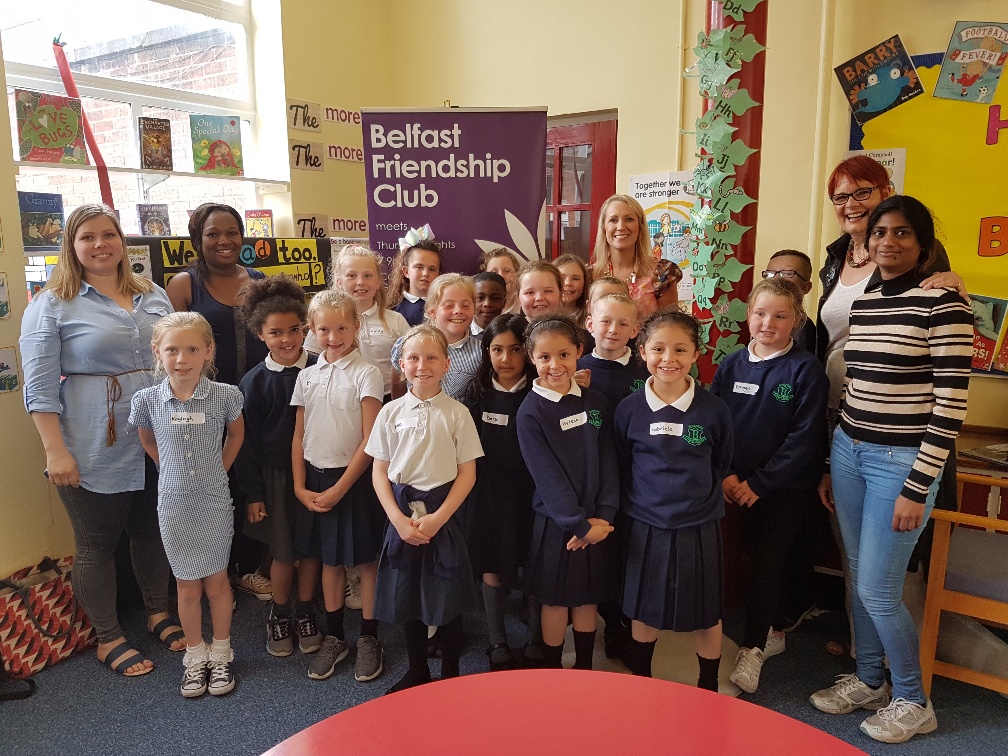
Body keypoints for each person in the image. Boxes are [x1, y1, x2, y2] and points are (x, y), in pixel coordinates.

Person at [810, 196, 973, 744]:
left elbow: (950, 405)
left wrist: (917, 485)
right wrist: (836, 461)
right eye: (880, 233)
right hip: (851, 449)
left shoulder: (945, 306)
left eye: (903, 234)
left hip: (900, 464)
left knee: (880, 590)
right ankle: (870, 679)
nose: (888, 242)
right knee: (858, 576)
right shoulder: (869, 300)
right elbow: (860, 386)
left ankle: (912, 699)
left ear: (923, 245)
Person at [20, 203, 179, 677]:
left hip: (157, 433)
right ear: (71, 246)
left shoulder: (152, 294)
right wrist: (55, 450)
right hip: (91, 439)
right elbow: (40, 385)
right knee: (96, 543)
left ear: (121, 241)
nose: (99, 244)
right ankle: (108, 637)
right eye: (87, 237)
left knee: (151, 530)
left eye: (108, 234)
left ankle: (158, 612)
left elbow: (177, 354)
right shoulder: (51, 303)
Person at [710, 279, 829, 694]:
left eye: (780, 316)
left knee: (766, 562)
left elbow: (805, 438)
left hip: (782, 489)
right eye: (760, 313)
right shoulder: (731, 364)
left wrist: (759, 483)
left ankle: (754, 648)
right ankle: (744, 629)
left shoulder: (805, 370)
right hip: (729, 484)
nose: (767, 323)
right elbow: (713, 421)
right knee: (728, 558)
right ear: (748, 313)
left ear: (795, 321)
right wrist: (725, 473)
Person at [129, 312, 245, 698]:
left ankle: (222, 652)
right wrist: (170, 470)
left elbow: (236, 435)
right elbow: (148, 441)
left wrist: (218, 470)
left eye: (192, 349)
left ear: (208, 351)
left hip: (213, 502)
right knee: (186, 584)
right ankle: (195, 656)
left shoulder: (226, 395)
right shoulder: (147, 400)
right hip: (174, 504)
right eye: (172, 349)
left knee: (217, 582)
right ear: (157, 352)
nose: (182, 358)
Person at [614, 310, 732, 690]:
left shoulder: (714, 410)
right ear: (642, 351)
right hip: (645, 524)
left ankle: (708, 685)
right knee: (644, 608)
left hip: (699, 524)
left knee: (705, 611)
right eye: (659, 349)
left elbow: (721, 461)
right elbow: (621, 462)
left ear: (696, 353)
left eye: (680, 349)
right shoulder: (629, 409)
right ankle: (642, 680)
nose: (669, 358)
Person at [365, 325, 484, 693]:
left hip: (441, 517)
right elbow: (379, 471)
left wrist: (438, 518)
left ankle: (450, 674)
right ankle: (418, 670)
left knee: (446, 599)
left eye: (431, 357)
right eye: (413, 358)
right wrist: (398, 521)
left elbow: (467, 472)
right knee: (408, 598)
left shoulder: (457, 413)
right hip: (403, 518)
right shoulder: (390, 412)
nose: (422, 365)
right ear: (401, 364)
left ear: (446, 363)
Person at [166, 202, 270, 600]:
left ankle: (245, 568)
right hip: (204, 407)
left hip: (257, 402)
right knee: (209, 486)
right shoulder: (184, 285)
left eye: (232, 232)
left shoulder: (259, 281)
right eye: (213, 234)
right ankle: (211, 573)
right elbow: (172, 348)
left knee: (249, 485)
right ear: (198, 239)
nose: (224, 241)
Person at [291, 290, 386, 683]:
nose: (334, 336)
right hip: (316, 480)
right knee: (329, 561)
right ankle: (335, 636)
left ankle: (369, 636)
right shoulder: (306, 375)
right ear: (312, 331)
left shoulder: (368, 373)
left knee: (365, 562)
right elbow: (298, 436)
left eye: (342, 327)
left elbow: (370, 438)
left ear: (356, 326)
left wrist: (342, 487)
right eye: (324, 329)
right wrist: (299, 487)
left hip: (356, 480)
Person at [517, 315, 618, 671]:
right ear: (532, 358)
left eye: (563, 355)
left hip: (596, 521)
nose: (554, 365)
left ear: (579, 351)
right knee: (556, 601)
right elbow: (547, 476)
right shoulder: (530, 411)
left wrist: (603, 516)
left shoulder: (596, 403)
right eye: (545, 357)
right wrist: (578, 525)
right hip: (557, 525)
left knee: (587, 599)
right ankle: (552, 672)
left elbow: (608, 461)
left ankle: (586, 669)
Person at [234, 275, 318, 659]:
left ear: (305, 327)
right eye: (276, 332)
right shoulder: (254, 382)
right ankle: (280, 613)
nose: (287, 339)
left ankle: (306, 611)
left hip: (318, 473)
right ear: (259, 334)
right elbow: (245, 442)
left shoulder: (321, 369)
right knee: (284, 553)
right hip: (276, 478)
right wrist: (253, 493)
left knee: (313, 550)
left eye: (294, 330)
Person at [575, 291, 648, 659]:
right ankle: (598, 619)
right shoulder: (575, 370)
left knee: (627, 554)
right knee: (597, 554)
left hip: (636, 479)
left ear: (636, 329)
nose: (613, 329)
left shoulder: (647, 372)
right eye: (605, 321)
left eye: (623, 323)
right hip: (590, 482)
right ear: (590, 325)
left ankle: (624, 625)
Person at [466, 314, 536, 670]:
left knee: (534, 561)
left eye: (515, 349)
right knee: (490, 563)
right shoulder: (475, 393)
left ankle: (538, 641)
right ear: (486, 351)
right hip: (488, 493)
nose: (506, 358)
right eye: (497, 349)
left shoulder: (541, 391)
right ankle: (497, 642)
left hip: (533, 492)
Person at [330, 244, 410, 402]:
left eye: (367, 275)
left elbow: (410, 360)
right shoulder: (328, 321)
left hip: (387, 399)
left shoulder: (396, 320)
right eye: (352, 275)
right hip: (342, 401)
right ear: (339, 282)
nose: (360, 282)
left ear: (378, 282)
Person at [390, 274, 481, 406]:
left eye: (466, 306)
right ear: (432, 311)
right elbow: (398, 397)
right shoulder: (406, 345)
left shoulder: (481, 352)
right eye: (449, 305)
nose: (458, 311)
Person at [591, 195, 681, 321]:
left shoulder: (662, 272)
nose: (621, 227)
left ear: (640, 227)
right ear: (603, 228)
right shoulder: (590, 275)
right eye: (613, 220)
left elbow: (670, 327)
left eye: (629, 219)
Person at [762, 250, 816, 353]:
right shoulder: (757, 319)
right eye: (769, 274)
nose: (776, 279)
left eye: (787, 273)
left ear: (806, 287)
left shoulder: (803, 329)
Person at [386, 227, 442, 327]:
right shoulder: (392, 309)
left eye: (432, 269)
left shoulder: (445, 305)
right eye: (419, 267)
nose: (425, 273)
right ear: (406, 271)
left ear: (439, 273)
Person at [480, 247, 522, 314]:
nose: (501, 276)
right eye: (494, 272)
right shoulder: (478, 311)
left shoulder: (525, 308)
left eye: (507, 271)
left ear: (517, 274)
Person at [555, 253, 591, 326]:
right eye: (562, 278)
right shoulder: (541, 314)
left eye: (575, 278)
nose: (568, 283)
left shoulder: (592, 319)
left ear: (584, 284)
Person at [471, 271, 507, 336]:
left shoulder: (511, 332)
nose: (487, 304)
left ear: (504, 302)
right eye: (481, 298)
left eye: (496, 298)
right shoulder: (461, 332)